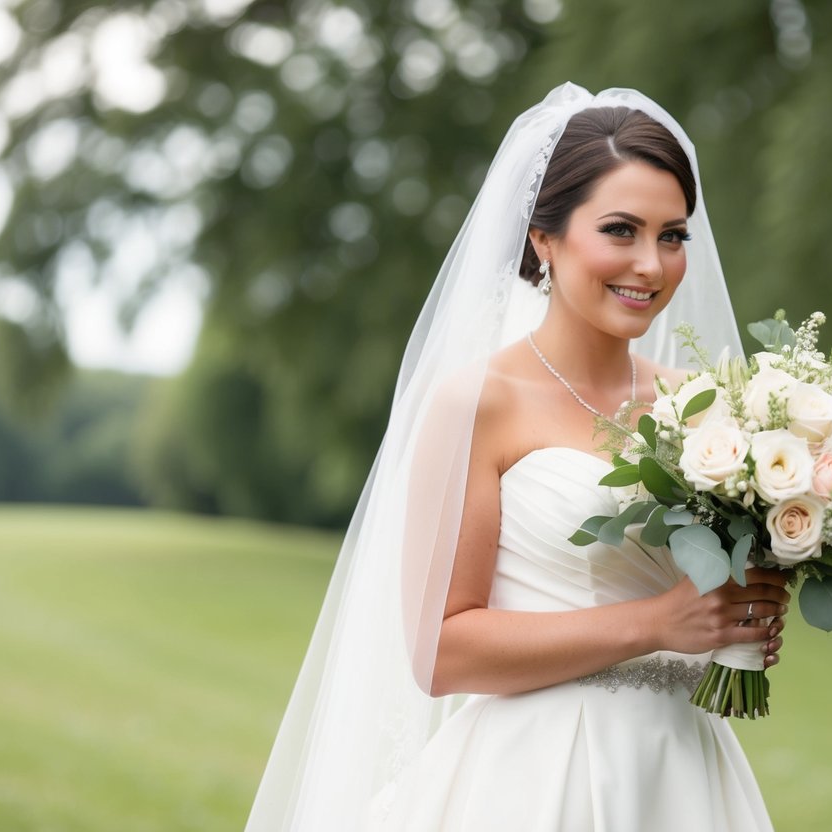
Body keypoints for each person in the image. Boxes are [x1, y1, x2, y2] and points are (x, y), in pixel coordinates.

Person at [246, 84, 790, 832]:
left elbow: (706, 604)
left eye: (672, 236)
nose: (651, 264)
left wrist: (746, 612)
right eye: (620, 230)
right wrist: (658, 624)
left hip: (681, 775)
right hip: (537, 778)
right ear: (543, 237)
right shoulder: (478, 401)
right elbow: (439, 651)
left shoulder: (707, 406)